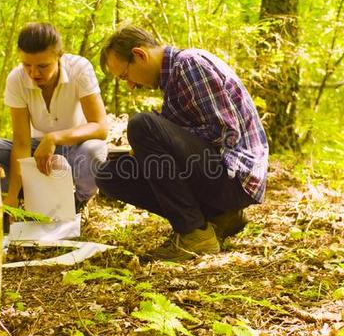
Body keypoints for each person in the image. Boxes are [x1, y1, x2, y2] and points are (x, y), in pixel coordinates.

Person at [95, 25, 268, 262]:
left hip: (234, 179)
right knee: (109, 174)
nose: (130, 86)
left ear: (140, 55)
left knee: (142, 124)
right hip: (215, 173)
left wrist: (159, 136)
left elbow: (225, 133)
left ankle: (194, 234)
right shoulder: (174, 80)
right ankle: (218, 218)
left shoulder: (189, 64)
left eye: (125, 76)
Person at [0, 22, 108, 212]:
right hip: (36, 150)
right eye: (27, 65)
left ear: (59, 56)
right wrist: (11, 196)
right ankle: (29, 197)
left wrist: (55, 138)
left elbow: (100, 128)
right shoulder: (16, 79)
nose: (34, 73)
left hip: (76, 148)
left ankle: (78, 201)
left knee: (94, 150)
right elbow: (21, 143)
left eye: (43, 66)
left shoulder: (79, 68)